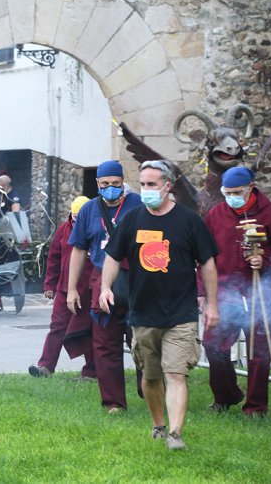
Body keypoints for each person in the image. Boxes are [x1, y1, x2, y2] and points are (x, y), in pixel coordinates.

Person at [99, 160, 220, 450]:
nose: (146, 190)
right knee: (151, 377)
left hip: (181, 313)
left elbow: (208, 262)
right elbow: (113, 256)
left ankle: (176, 435)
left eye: (152, 185)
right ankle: (158, 425)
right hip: (143, 312)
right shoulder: (131, 219)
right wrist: (105, 288)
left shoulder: (189, 221)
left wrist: (212, 304)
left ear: (167, 186)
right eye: (142, 185)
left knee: (176, 374)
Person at [202, 166, 271, 416]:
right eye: (227, 192)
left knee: (258, 352)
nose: (231, 197)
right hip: (225, 291)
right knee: (213, 344)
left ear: (251, 187)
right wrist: (203, 293)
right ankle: (226, 395)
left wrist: (266, 258)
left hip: (260, 291)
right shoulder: (216, 214)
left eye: (236, 192)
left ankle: (256, 407)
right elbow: (204, 256)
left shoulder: (270, 213)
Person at [66, 160, 143, 413]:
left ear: (123, 183)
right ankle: (114, 402)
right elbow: (78, 249)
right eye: (105, 184)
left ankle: (149, 385)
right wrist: (72, 288)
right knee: (105, 345)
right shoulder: (89, 209)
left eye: (116, 184)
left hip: (137, 281)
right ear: (98, 184)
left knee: (143, 341)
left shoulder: (139, 204)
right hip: (102, 283)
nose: (111, 188)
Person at [29, 196, 95, 379]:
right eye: (74, 217)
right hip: (65, 289)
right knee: (57, 327)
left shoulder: (97, 229)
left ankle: (91, 371)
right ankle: (46, 367)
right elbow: (54, 258)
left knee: (89, 329)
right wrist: (49, 284)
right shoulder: (63, 229)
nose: (77, 221)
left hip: (89, 289)